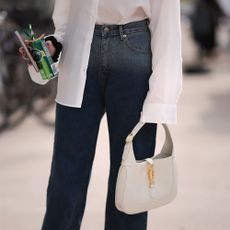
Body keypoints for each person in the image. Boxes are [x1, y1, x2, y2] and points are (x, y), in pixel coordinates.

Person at [19, 0, 183, 229]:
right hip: (80, 52)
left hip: (134, 52)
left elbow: (166, 23)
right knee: (65, 179)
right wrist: (51, 46)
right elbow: (65, 20)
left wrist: (160, 99)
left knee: (129, 186)